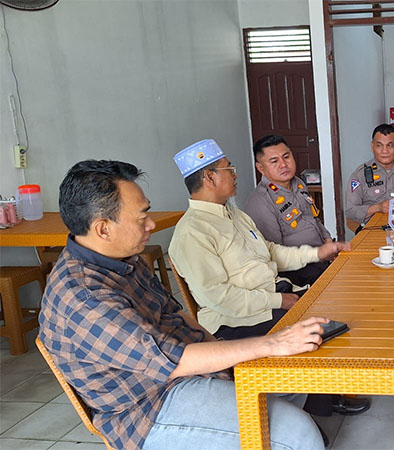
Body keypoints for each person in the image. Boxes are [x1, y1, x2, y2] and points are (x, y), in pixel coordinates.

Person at [39, 160, 325, 450]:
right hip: (152, 405)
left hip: (187, 368)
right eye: (141, 218)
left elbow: (174, 312)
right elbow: (172, 359)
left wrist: (226, 358)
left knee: (291, 375)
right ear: (103, 229)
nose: (151, 224)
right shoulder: (84, 297)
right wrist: (271, 344)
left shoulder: (123, 259)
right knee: (298, 433)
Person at [169, 139, 369, 417]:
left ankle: (323, 396)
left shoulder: (235, 215)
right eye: (230, 169)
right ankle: (299, 418)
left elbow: (272, 253)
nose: (236, 175)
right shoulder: (193, 232)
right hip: (235, 321)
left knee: (332, 308)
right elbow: (216, 297)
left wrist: (317, 252)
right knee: (311, 327)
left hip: (270, 298)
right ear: (210, 177)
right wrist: (279, 301)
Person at [245, 134, 332, 288]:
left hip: (320, 254)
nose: (283, 164)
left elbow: (314, 218)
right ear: (260, 168)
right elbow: (275, 255)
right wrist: (319, 254)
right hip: (298, 268)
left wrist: (328, 241)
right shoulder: (261, 201)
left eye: (286, 157)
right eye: (274, 161)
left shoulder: (298, 183)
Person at [345, 123, 394, 228]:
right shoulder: (360, 174)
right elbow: (351, 211)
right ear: (372, 147)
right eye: (379, 145)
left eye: (390, 145)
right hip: (371, 230)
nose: (385, 151)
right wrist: (378, 207)